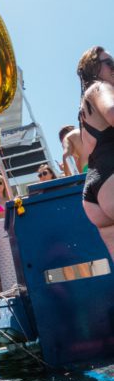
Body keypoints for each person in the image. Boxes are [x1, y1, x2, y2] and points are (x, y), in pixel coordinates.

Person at [76, 45, 114, 259]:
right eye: (109, 63)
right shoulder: (100, 88)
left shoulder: (84, 108)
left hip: (95, 192)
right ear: (93, 69)